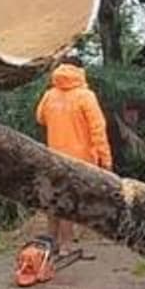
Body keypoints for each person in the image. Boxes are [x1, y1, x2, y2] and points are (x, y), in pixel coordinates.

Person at [34, 55, 111, 251]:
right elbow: (98, 129)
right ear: (81, 71)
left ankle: (52, 241)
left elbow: (40, 118)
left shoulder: (50, 94)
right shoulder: (86, 96)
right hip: (80, 158)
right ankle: (67, 244)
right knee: (69, 201)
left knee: (52, 198)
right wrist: (106, 160)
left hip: (53, 155)